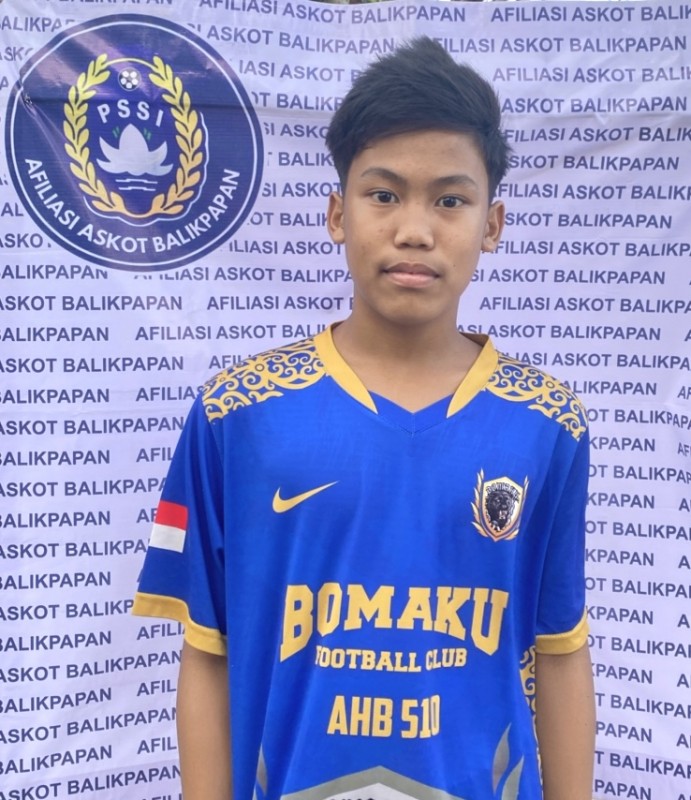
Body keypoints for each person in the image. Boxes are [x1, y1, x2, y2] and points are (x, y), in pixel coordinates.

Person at [133, 36, 595, 800]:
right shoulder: (237, 413)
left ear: (492, 224)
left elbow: (559, 648)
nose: (414, 229)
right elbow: (207, 651)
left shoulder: (546, 423)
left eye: (449, 200)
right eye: (383, 195)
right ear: (336, 213)